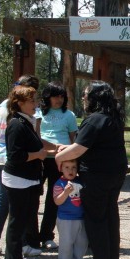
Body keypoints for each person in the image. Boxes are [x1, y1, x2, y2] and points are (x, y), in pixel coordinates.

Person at [55, 80, 128, 259]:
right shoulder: (112, 117)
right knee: (110, 215)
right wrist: (66, 149)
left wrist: (59, 157)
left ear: (95, 98)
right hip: (115, 173)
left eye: (86, 95)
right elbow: (86, 144)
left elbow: (80, 148)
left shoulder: (95, 119)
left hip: (97, 175)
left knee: (96, 218)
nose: (83, 98)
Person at [2, 84, 58, 259]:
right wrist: (38, 155)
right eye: (31, 101)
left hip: (28, 179)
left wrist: (56, 148)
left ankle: (15, 255)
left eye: (35, 100)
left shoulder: (27, 121)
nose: (36, 104)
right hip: (18, 179)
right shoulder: (16, 125)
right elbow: (15, 155)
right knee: (17, 221)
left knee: (24, 219)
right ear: (19, 103)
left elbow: (38, 142)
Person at [0, 75, 39, 256]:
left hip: (1, 154)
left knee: (3, 202)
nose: (35, 102)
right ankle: (19, 246)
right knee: (15, 207)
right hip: (13, 160)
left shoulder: (2, 105)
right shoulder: (19, 120)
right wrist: (38, 153)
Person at [37, 82, 78, 250]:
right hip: (40, 158)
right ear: (47, 97)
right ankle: (30, 237)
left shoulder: (69, 115)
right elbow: (36, 134)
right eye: (55, 96)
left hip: (60, 159)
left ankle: (47, 235)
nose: (58, 100)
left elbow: (73, 139)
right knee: (33, 197)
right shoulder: (39, 113)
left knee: (54, 198)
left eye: (61, 96)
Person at [53, 159, 88, 259]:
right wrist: (65, 192)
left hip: (80, 217)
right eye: (67, 167)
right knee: (66, 242)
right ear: (61, 169)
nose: (70, 170)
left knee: (81, 242)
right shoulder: (59, 183)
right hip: (66, 218)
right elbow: (57, 201)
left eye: (73, 167)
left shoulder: (80, 181)